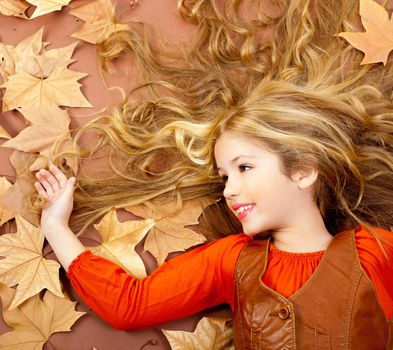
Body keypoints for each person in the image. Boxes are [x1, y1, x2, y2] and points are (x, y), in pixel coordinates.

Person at [34, 78, 393, 349]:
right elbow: (131, 305)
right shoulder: (234, 261)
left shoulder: (375, 251)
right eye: (224, 176)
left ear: (302, 171)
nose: (229, 190)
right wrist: (55, 228)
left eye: (245, 168)